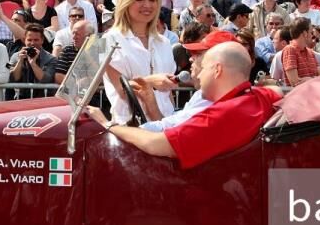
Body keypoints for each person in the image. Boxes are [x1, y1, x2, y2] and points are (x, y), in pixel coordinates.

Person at [87, 41, 280, 170]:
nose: (198, 74)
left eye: (203, 68)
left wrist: (107, 125)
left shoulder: (223, 114)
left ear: (217, 70)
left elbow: (155, 144)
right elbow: (277, 91)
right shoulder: (260, 96)